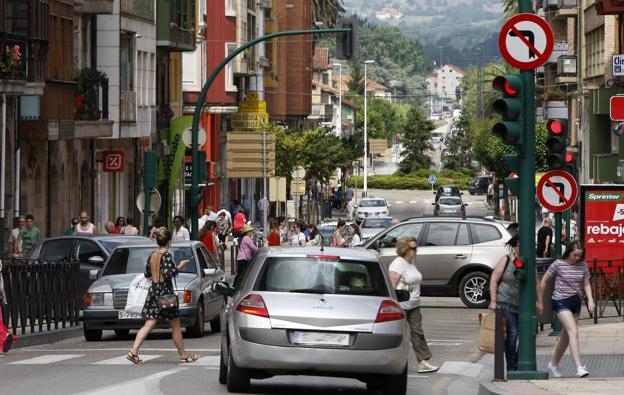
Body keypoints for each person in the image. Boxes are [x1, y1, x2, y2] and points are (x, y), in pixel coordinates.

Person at [127, 228, 198, 364]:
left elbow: (147, 274)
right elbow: (169, 273)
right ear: (169, 242)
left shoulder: (152, 255)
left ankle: (133, 351)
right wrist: (180, 266)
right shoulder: (166, 255)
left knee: (149, 323)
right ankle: (184, 355)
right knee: (175, 325)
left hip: (153, 291)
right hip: (165, 292)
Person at [488, 235, 543, 372]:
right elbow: (494, 279)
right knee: (513, 333)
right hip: (505, 301)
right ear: (514, 246)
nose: (521, 248)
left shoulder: (530, 262)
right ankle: (511, 367)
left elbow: (536, 283)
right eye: (518, 245)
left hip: (523, 305)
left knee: (526, 334)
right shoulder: (506, 259)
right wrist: (493, 301)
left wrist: (540, 301)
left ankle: (519, 363)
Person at [541, 241, 594, 379]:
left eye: (580, 256)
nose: (577, 258)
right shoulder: (558, 264)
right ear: (569, 252)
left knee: (566, 336)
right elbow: (545, 280)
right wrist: (539, 300)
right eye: (575, 255)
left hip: (575, 301)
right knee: (573, 331)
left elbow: (587, 283)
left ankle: (553, 364)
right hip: (560, 301)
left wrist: (591, 300)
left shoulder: (582, 265)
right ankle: (579, 367)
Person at [389, 236, 439, 373]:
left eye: (416, 248)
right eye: (414, 248)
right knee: (398, 335)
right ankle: (388, 360)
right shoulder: (398, 263)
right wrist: (394, 305)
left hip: (414, 304)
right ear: (405, 249)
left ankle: (423, 362)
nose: (416, 251)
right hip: (402, 306)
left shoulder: (412, 262)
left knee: (417, 333)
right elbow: (392, 285)